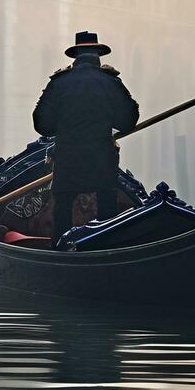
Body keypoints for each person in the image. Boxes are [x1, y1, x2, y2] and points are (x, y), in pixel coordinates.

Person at [32, 31, 140, 242]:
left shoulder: (59, 82)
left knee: (62, 211)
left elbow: (41, 124)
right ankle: (104, 250)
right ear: (98, 55)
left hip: (67, 161)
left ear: (76, 56)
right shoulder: (110, 82)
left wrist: (65, 127)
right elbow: (128, 120)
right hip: (101, 161)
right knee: (107, 211)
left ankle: (61, 255)